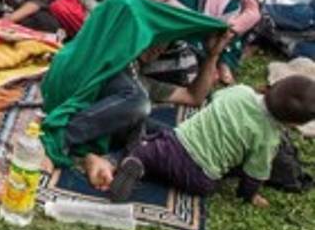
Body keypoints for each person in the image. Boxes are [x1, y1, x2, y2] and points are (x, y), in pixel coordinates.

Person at [38, 0, 233, 188]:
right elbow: (122, 8)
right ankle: (56, 141)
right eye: (150, 36)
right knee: (139, 103)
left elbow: (193, 97)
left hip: (107, 123)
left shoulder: (137, 80)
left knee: (169, 138)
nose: (159, 47)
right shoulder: (85, 58)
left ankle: (107, 160)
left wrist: (212, 56)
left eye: (163, 39)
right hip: (82, 115)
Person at [109, 75, 315, 207]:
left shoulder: (240, 92)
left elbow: (214, 98)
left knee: (152, 149)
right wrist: (249, 196)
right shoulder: (269, 138)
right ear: (291, 123)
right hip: (200, 178)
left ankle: (137, 161)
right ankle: (149, 167)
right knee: (227, 172)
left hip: (174, 146)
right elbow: (254, 175)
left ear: (271, 87)